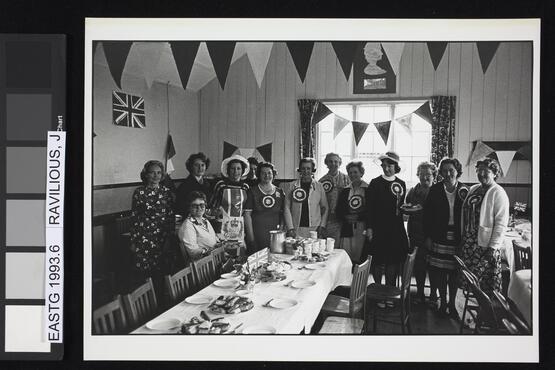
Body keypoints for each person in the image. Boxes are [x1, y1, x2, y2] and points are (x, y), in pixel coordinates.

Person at [423, 158, 468, 317]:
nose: (448, 174)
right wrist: (428, 236)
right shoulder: (435, 190)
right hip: (438, 236)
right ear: (440, 173)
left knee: (454, 273)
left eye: (451, 170)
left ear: (457, 171)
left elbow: (469, 217)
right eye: (444, 171)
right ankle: (442, 302)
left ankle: (452, 304)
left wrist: (466, 239)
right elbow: (427, 216)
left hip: (457, 238)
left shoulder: (465, 191)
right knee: (439, 272)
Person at [365, 151, 409, 308]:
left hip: (395, 229)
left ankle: (390, 292)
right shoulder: (375, 183)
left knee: (393, 261)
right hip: (378, 228)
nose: (386, 168)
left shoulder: (402, 184)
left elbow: (401, 206)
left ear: (395, 167)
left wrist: (407, 210)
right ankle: (378, 292)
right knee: (377, 261)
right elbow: (368, 209)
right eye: (384, 165)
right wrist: (369, 228)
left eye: (389, 165)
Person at [460, 158, 509, 295]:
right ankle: (475, 312)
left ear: (494, 173)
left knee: (486, 286)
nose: (481, 174)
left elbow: (501, 223)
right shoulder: (474, 189)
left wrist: (493, 247)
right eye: (479, 170)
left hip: (486, 246)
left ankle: (484, 315)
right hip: (470, 243)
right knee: (472, 284)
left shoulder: (498, 192)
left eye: (486, 171)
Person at [129, 160, 175, 295]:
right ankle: (147, 302)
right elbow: (134, 218)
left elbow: (170, 217)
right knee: (144, 273)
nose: (156, 176)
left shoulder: (167, 192)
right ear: (146, 174)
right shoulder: (139, 192)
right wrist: (133, 241)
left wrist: (169, 237)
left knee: (161, 271)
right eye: (152, 173)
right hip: (143, 238)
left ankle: (160, 301)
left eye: (159, 173)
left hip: (161, 238)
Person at [405, 161, 437, 305]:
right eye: (422, 175)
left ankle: (433, 294)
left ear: (434, 176)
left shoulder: (438, 191)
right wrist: (408, 210)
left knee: (434, 265)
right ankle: (419, 293)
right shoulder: (412, 191)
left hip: (434, 235)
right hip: (415, 233)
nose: (425, 178)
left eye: (428, 175)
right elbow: (407, 207)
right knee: (419, 265)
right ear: (418, 175)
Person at [244, 162, 285, 254]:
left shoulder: (280, 192)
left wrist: (280, 233)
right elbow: (247, 215)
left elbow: (283, 214)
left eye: (269, 173)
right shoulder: (252, 191)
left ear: (273, 174)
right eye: (263, 173)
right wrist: (251, 239)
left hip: (274, 236)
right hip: (256, 234)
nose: (267, 175)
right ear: (258, 174)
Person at [208, 154, 250, 243]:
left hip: (239, 226)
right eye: (232, 168)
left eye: (238, 168)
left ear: (242, 170)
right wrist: (216, 212)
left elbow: (246, 209)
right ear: (228, 170)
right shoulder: (221, 185)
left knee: (239, 251)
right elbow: (212, 205)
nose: (235, 171)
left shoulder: (245, 187)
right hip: (222, 225)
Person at [284, 157, 329, 239]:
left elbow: (325, 208)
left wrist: (322, 226)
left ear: (313, 170)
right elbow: (286, 207)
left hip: (315, 229)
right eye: (303, 168)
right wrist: (290, 228)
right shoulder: (291, 186)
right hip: (296, 228)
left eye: (308, 168)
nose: (306, 171)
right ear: (300, 170)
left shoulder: (319, 186)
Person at [335, 161, 368, 263]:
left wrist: (359, 217)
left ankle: (359, 278)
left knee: (361, 255)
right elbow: (339, 210)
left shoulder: (368, 189)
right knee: (347, 257)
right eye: (350, 173)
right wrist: (346, 217)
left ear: (361, 173)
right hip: (347, 226)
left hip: (363, 227)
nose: (352, 175)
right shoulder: (345, 191)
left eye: (355, 172)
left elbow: (372, 210)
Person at [177, 191, 219, 261]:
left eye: (202, 205)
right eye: (194, 206)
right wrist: (212, 250)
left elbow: (214, 239)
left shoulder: (205, 220)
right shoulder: (188, 226)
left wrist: (220, 244)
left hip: (214, 258)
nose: (199, 208)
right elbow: (193, 253)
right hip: (202, 264)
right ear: (189, 207)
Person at [319, 153, 350, 244]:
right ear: (326, 163)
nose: (333, 164)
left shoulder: (347, 179)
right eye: (330, 161)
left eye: (336, 161)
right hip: (326, 219)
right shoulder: (321, 181)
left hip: (342, 218)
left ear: (340, 163)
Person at [175, 152, 213, 217]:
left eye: (202, 165)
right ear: (191, 167)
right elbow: (181, 207)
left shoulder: (208, 184)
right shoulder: (185, 186)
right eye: (196, 165)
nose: (200, 168)